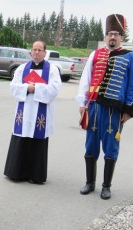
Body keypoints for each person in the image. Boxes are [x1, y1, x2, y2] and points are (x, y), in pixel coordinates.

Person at [76, 14, 132, 200]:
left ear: (121, 37)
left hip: (114, 110)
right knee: (90, 144)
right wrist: (82, 103)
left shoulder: (129, 57)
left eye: (116, 33)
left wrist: (128, 110)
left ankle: (106, 186)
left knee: (111, 147)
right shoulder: (95, 54)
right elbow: (86, 78)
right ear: (105, 36)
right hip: (94, 106)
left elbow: (132, 85)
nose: (112, 37)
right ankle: (89, 183)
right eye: (109, 33)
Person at [4, 40, 62, 184]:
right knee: (21, 137)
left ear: (44, 52)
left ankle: (35, 175)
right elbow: (13, 86)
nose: (36, 52)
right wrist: (25, 88)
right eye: (34, 49)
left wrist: (36, 88)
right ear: (31, 51)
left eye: (39, 50)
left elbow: (55, 88)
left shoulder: (52, 70)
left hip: (40, 111)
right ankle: (17, 173)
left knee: (37, 141)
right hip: (23, 111)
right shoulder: (22, 68)